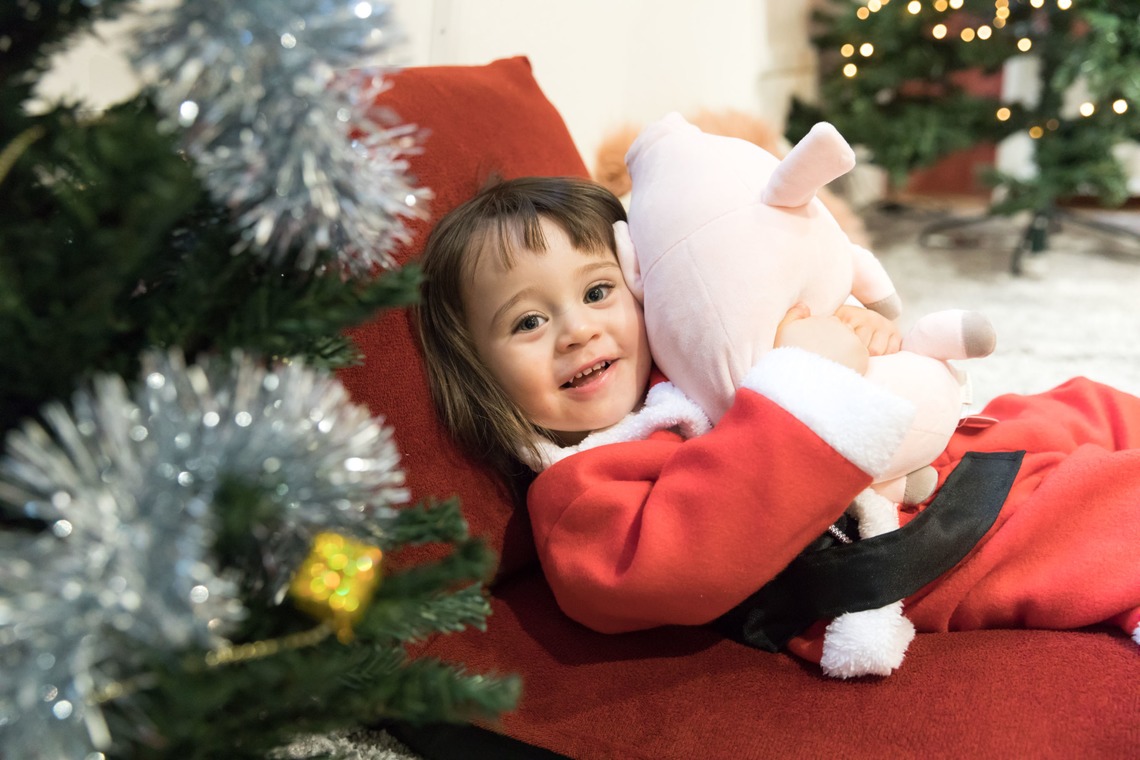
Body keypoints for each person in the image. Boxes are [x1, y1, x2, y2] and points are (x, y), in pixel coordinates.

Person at [415, 175, 1140, 674]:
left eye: (599, 291)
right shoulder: (580, 491)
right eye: (530, 321)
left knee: (1084, 404)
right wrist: (808, 381)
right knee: (1098, 512)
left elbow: (785, 343)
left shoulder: (678, 376)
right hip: (907, 548)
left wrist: (850, 336)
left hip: (930, 452)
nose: (576, 331)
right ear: (479, 378)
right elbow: (686, 557)